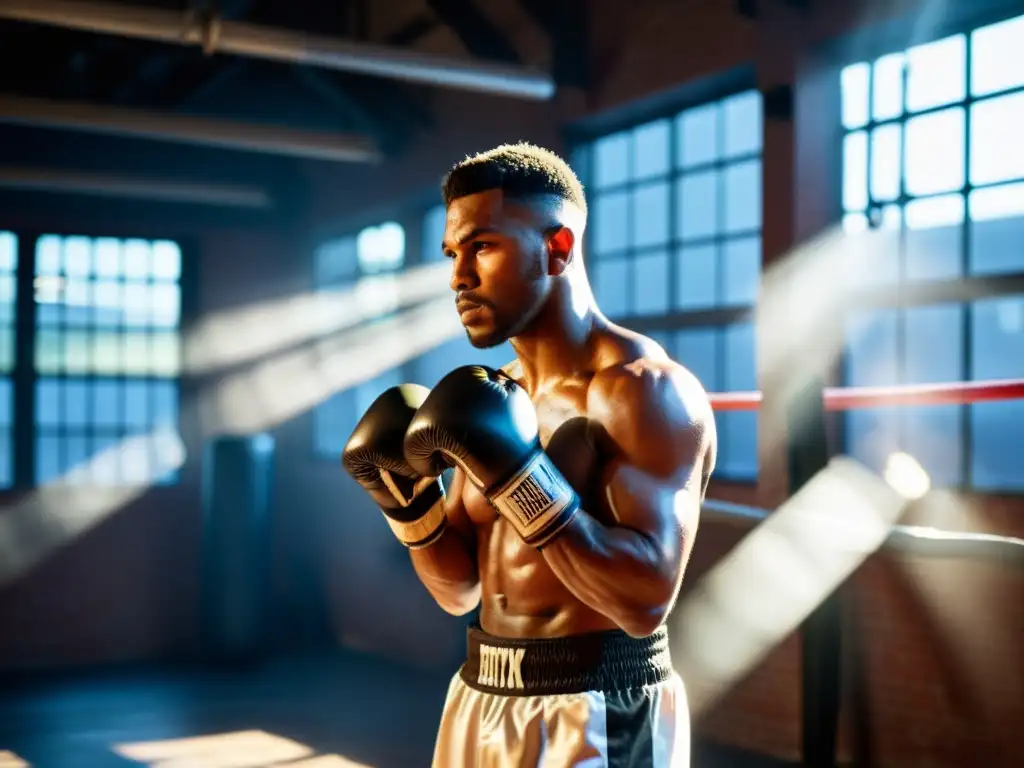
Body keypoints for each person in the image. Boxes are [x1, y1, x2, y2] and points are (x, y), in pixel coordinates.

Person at [343, 143, 716, 767]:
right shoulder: (494, 399)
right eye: (452, 254)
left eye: (482, 246)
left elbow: (645, 600)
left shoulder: (641, 390)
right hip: (481, 692)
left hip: (597, 704)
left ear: (558, 247)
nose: (459, 276)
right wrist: (406, 504)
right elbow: (459, 589)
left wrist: (520, 476)